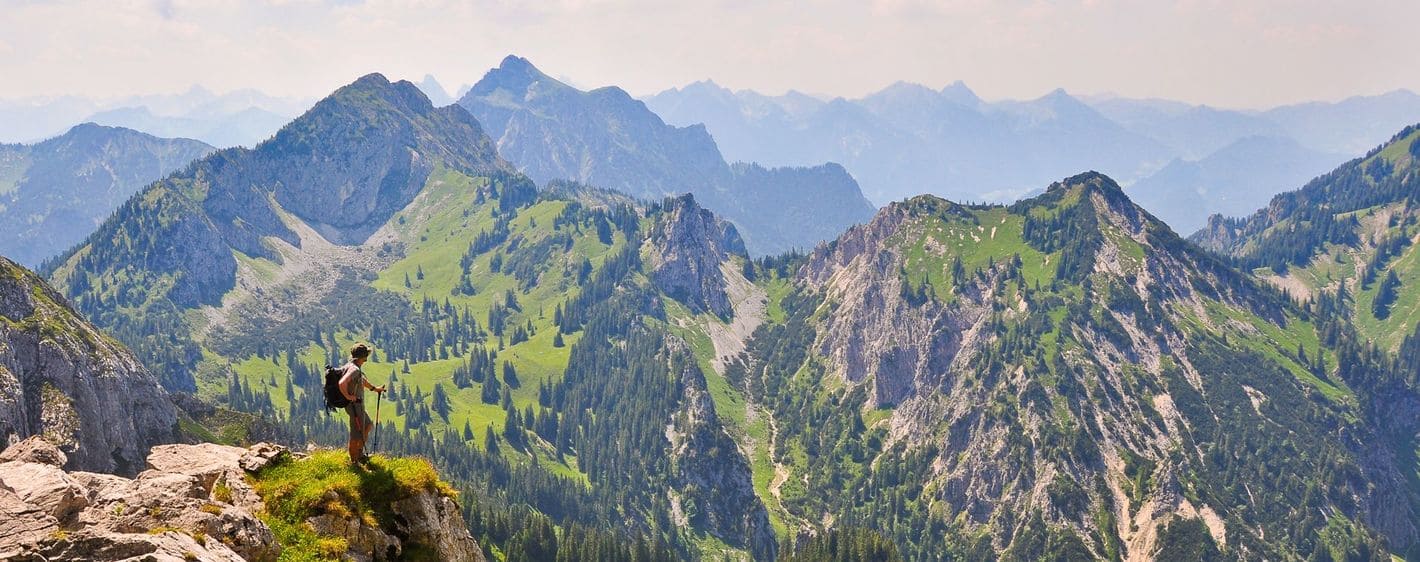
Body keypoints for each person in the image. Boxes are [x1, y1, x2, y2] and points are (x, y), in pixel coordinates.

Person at [339, 343, 385, 465]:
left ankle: (359, 454)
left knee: (368, 425)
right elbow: (342, 383)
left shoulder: (352, 366)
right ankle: (354, 462)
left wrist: (375, 389)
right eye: (366, 355)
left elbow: (361, 380)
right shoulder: (354, 369)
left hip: (357, 405)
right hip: (355, 406)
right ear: (363, 357)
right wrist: (349, 397)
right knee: (356, 433)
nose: (366, 358)